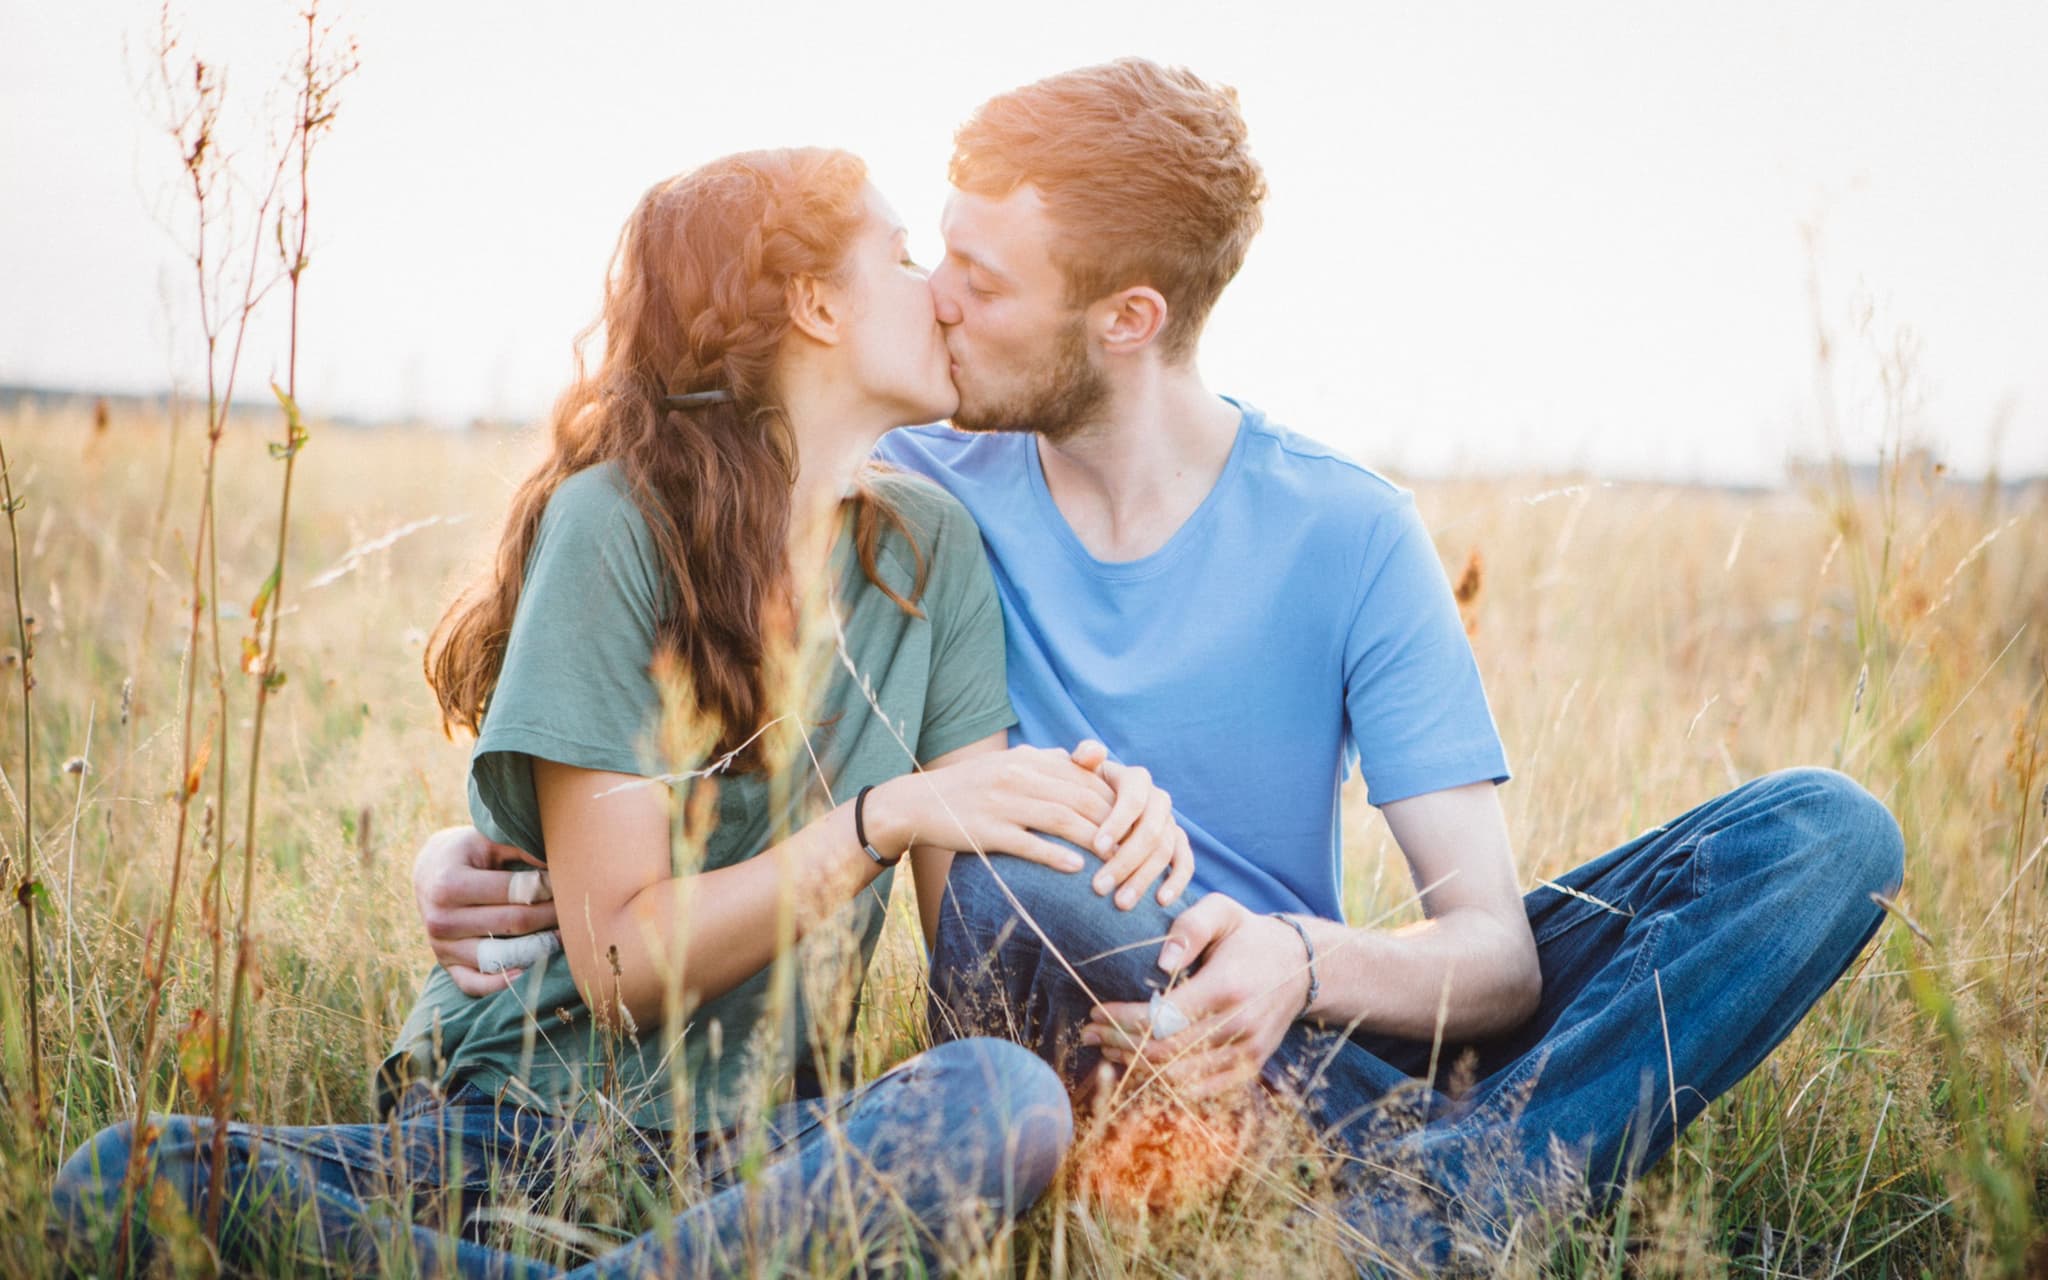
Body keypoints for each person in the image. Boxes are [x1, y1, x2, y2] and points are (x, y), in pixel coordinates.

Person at [417, 60, 1908, 1273]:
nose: (938, 297)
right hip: (1103, 1012)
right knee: (1016, 886)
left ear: (1126, 322)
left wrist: (1303, 958)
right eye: (935, 256)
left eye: (983, 281)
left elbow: (1497, 958)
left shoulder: (1347, 530)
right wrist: (476, 851)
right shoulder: (912, 494)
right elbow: (685, 606)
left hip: (1317, 1027)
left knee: (1821, 835)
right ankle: (1472, 1180)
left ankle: (1434, 1192)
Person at [50, 146, 1196, 1277]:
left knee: (998, 1096)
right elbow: (613, 959)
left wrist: (1114, 825)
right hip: (520, 1125)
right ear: (813, 306)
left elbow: (980, 937)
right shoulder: (616, 526)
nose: (939, 292)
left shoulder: (928, 549)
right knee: (134, 1175)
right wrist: (875, 820)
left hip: (759, 1152)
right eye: (899, 257)